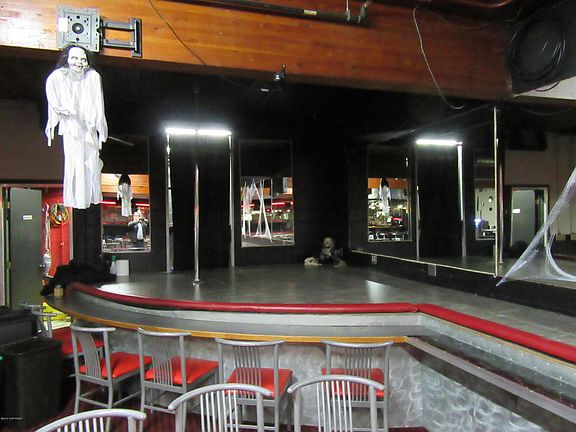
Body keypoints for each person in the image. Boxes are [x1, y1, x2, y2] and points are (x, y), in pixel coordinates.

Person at [45, 44, 108, 209]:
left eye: (82, 59)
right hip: (71, 127)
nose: (79, 62)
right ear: (67, 59)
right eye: (74, 58)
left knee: (91, 160)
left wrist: (99, 126)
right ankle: (77, 196)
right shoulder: (58, 76)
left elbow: (98, 104)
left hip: (88, 127)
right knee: (74, 161)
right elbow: (53, 97)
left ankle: (87, 195)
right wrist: (62, 111)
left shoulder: (93, 77)